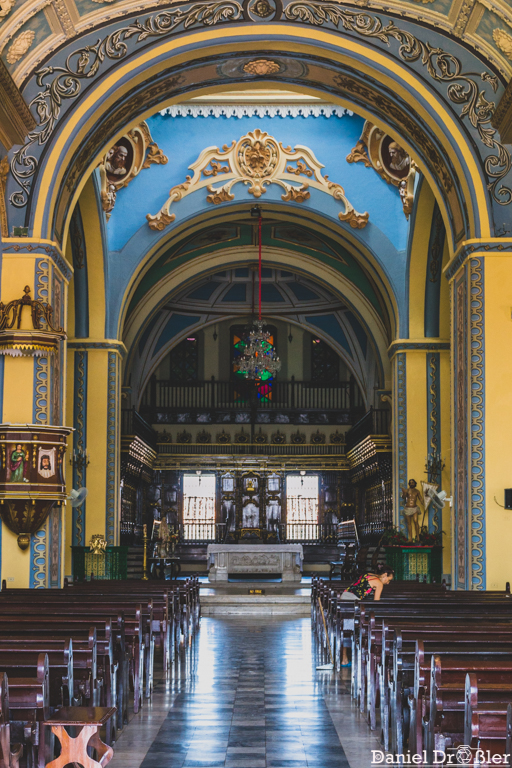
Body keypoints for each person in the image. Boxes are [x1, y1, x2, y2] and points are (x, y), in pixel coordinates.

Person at [340, 567, 394, 666]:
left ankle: (344, 658)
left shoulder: (368, 574)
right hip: (352, 602)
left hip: (344, 596)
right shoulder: (379, 584)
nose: (388, 583)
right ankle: (344, 659)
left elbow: (354, 585)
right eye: (388, 580)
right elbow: (376, 603)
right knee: (349, 628)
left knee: (346, 629)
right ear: (385, 575)